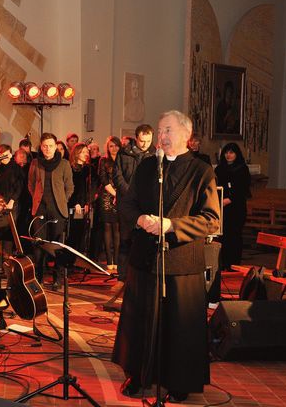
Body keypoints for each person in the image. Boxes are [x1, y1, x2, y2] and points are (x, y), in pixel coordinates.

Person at [112, 110, 219, 402]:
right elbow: (127, 203)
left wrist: (172, 226)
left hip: (182, 262)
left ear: (186, 134)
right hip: (145, 257)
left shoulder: (202, 171)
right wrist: (139, 220)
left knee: (179, 326)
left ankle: (180, 380)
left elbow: (212, 220)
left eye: (168, 131)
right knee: (140, 320)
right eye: (160, 131)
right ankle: (137, 374)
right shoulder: (148, 167)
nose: (162, 137)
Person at [28, 133, 74, 289]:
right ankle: (38, 278)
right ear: (41, 147)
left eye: (51, 146)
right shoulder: (35, 163)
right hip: (40, 208)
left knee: (57, 245)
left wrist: (62, 200)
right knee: (38, 245)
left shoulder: (64, 164)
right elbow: (31, 184)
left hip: (57, 209)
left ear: (56, 146)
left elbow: (70, 187)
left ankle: (57, 278)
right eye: (45, 146)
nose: (48, 149)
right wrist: (37, 199)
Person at [112, 124, 156, 281]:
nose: (145, 145)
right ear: (136, 138)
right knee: (125, 240)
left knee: (142, 241)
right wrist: (130, 194)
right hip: (126, 203)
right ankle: (122, 275)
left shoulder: (155, 154)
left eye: (149, 141)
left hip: (145, 204)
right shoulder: (124, 153)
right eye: (142, 141)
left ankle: (139, 274)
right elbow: (117, 176)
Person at [215, 142, 251, 271]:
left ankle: (234, 263)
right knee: (223, 236)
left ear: (236, 154)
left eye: (231, 152)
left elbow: (243, 189)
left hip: (236, 207)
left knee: (234, 235)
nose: (228, 155)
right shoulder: (219, 169)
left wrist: (230, 199)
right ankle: (223, 262)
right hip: (222, 207)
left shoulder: (242, 169)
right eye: (226, 152)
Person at [98, 136, 122, 270]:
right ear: (107, 147)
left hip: (121, 195)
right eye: (111, 146)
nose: (114, 148)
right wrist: (115, 194)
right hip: (107, 196)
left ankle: (117, 261)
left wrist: (120, 195)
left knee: (117, 229)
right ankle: (109, 261)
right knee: (107, 228)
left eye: (116, 145)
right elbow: (103, 179)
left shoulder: (123, 159)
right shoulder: (103, 160)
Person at [67, 143, 92, 255]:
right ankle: (69, 259)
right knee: (75, 231)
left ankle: (79, 258)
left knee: (83, 232)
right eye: (83, 152)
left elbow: (87, 189)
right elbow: (71, 188)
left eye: (87, 152)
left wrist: (87, 202)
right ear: (76, 153)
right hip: (75, 205)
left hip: (84, 204)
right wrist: (76, 203)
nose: (86, 154)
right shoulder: (71, 169)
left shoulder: (87, 169)